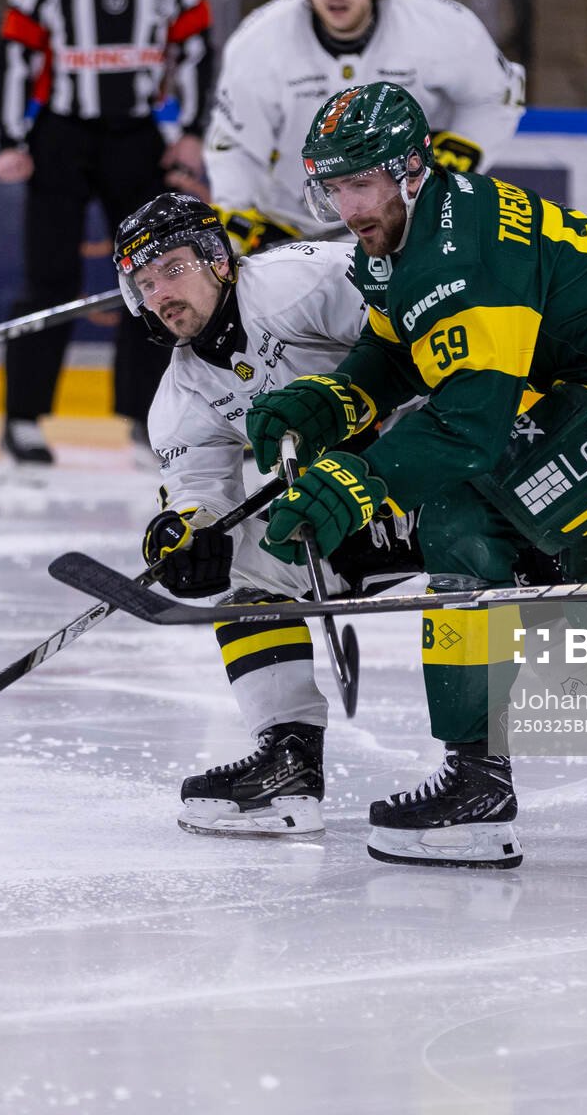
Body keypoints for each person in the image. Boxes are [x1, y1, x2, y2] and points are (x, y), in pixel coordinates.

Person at [242, 82, 587, 870]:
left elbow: (469, 433)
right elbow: (400, 351)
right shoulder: (420, 227)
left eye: (362, 183)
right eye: (333, 187)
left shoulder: (458, 258)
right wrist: (327, 401)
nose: (348, 206)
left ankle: (476, 784)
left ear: (411, 171)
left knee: (457, 518)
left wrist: (355, 484)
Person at [114, 192, 420, 835]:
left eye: (172, 268)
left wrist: (371, 433)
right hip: (352, 515)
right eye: (144, 283)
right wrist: (187, 532)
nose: (160, 292)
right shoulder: (180, 393)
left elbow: (422, 331)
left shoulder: (298, 281)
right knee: (236, 561)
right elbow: (199, 488)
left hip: (447, 470)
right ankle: (289, 762)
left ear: (219, 260)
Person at [0, 0, 214, 465]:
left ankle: (147, 416)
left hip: (136, 136)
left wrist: (190, 131)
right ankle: (24, 418)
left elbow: (196, 48)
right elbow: (12, 52)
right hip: (61, 135)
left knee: (153, 274)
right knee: (48, 277)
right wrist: (9, 137)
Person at [204, 0, 523, 256]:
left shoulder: (439, 25)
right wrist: (238, 208)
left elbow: (497, 95)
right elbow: (235, 143)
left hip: (408, 219)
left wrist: (464, 147)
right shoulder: (260, 40)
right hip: (292, 227)